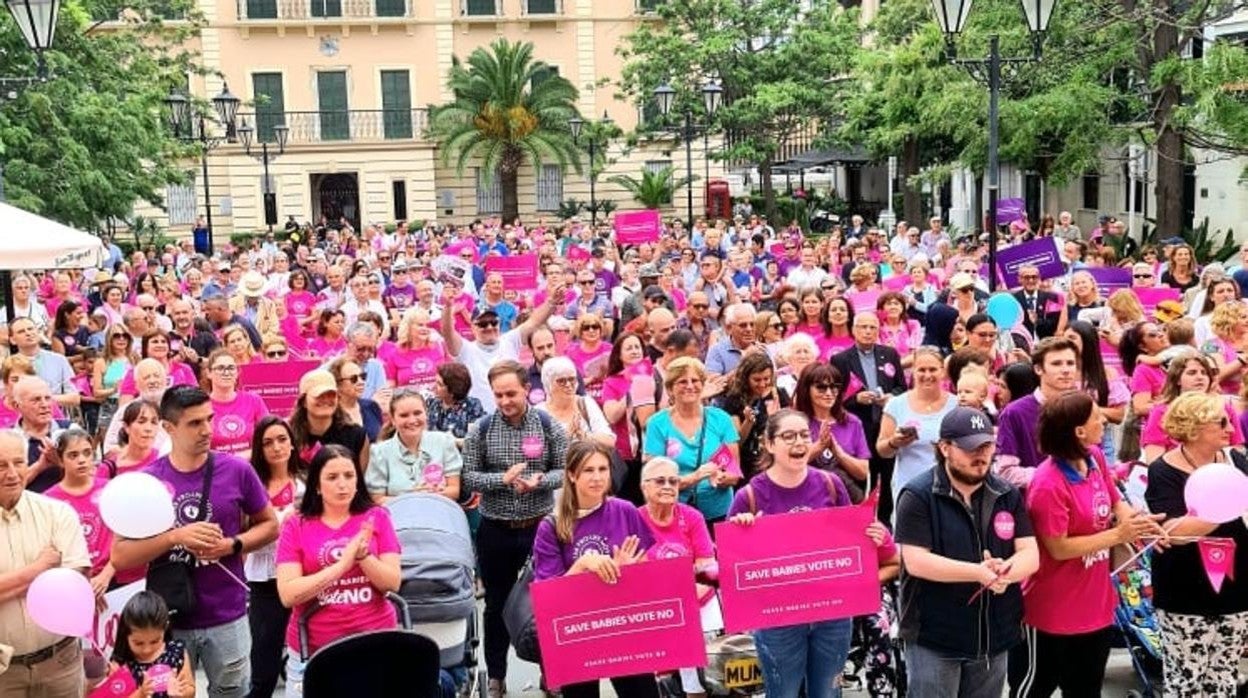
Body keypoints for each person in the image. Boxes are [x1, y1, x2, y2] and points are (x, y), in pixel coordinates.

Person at [111, 386, 279, 698]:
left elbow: (270, 525)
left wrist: (233, 545)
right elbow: (120, 556)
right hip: (169, 621)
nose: (207, 430)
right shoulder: (147, 482)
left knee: (234, 692)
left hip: (228, 613)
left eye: (209, 419)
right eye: (194, 423)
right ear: (168, 428)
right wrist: (174, 537)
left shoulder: (237, 469)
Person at [1007, 392, 1164, 697]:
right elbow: (1059, 548)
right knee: (1034, 687)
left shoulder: (1094, 457)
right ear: (1078, 431)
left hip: (1096, 606)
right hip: (1051, 611)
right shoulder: (1047, 484)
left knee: (1086, 689)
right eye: (1096, 416)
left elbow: (1116, 502)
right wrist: (1119, 535)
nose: (1104, 419)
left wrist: (1140, 524)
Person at [726, 409, 891, 698]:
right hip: (778, 619)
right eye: (788, 436)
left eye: (804, 435)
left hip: (832, 614)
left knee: (827, 693)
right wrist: (742, 530)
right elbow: (732, 566)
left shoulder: (830, 484)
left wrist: (874, 535)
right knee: (784, 693)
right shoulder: (749, 496)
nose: (798, 443)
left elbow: (852, 541)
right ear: (769, 443)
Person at [894, 407, 1040, 698]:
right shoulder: (918, 495)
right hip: (935, 636)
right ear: (945, 448)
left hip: (993, 635)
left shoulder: (1006, 493)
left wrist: (1004, 572)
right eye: (971, 447)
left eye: (987, 446)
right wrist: (977, 572)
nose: (981, 455)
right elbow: (916, 561)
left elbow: (1030, 554)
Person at [461, 361, 569, 698]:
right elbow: (469, 477)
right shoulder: (480, 428)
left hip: (540, 529)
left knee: (547, 603)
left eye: (511, 393)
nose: (506, 400)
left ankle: (551, 673)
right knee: (496, 606)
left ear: (526, 389)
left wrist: (541, 481)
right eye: (499, 395)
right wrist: (501, 480)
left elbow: (565, 470)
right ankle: (496, 675)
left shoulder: (548, 425)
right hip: (496, 529)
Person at [530, 441, 658, 698]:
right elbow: (548, 595)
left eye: (603, 469)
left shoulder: (625, 510)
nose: (598, 477)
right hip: (578, 633)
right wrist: (582, 565)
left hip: (623, 627)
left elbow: (650, 568)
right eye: (589, 470)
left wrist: (629, 571)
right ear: (572, 474)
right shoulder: (552, 526)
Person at [275, 444, 402, 697]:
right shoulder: (296, 525)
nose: (342, 484)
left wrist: (364, 557)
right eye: (332, 477)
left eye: (349, 475)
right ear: (317, 486)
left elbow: (392, 582)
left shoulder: (377, 516)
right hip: (313, 648)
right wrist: (341, 566)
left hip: (374, 641)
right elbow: (288, 594)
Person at [1145, 392, 1248, 696]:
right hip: (1184, 592)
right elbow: (1175, 532)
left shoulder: (1236, 460)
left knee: (1224, 678)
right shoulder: (1163, 471)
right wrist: (1228, 503)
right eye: (1222, 422)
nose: (1231, 428)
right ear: (1195, 427)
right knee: (1185, 681)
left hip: (1235, 588)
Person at [0, 428, 91, 696]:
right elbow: (53, 586)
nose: (13, 473)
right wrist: (40, 569)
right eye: (1, 465)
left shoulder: (57, 513)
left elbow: (71, 590)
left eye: (18, 462)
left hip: (60, 663)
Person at [637, 456, 716, 698]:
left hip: (696, 603)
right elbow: (634, 575)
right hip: (656, 608)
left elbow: (707, 569)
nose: (668, 486)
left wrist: (680, 600)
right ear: (644, 486)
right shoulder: (633, 519)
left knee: (698, 676)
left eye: (673, 481)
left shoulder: (691, 517)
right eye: (660, 481)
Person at [245, 416, 305, 698]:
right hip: (265, 580)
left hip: (305, 577)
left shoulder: (307, 480)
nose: (277, 447)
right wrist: (282, 520)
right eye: (267, 442)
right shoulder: (251, 485)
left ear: (292, 443)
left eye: (282, 439)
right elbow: (244, 537)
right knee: (264, 661)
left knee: (308, 652)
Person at [642, 357, 741, 525]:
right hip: (674, 513)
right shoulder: (657, 424)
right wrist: (695, 477)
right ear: (670, 389)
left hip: (718, 512)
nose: (689, 386)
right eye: (682, 381)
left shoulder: (721, 419)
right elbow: (655, 481)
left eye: (695, 380)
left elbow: (734, 473)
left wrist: (721, 478)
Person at [439, 277, 562, 411]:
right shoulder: (466, 349)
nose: (489, 327)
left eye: (494, 322)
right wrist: (448, 306)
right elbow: (447, 332)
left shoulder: (509, 340)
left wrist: (552, 301)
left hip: (513, 415)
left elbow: (534, 322)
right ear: (473, 327)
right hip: (480, 419)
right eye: (483, 324)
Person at [44, 428, 137, 606]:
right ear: (61, 460)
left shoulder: (112, 490)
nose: (81, 460)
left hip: (114, 579)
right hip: (72, 585)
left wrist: (106, 575)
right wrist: (81, 584)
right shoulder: (48, 500)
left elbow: (128, 535)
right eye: (73, 455)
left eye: (87, 453)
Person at [831, 312, 906, 519]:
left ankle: (885, 521)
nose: (867, 332)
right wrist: (856, 400)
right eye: (863, 327)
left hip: (886, 425)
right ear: (854, 330)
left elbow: (902, 387)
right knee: (864, 479)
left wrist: (892, 396)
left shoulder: (889, 354)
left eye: (872, 327)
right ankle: (861, 519)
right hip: (859, 427)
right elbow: (834, 396)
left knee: (888, 474)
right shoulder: (840, 359)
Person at [995, 338, 1080, 488]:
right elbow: (1005, 471)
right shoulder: (1014, 413)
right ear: (1038, 369)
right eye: (1056, 363)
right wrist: (1054, 477)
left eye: (1070, 363)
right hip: (1035, 502)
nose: (1066, 370)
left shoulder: (1083, 407)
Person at [366, 389, 462, 503]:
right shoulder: (379, 452)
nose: (412, 420)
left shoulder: (444, 441)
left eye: (417, 413)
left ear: (426, 413)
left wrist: (434, 493)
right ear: (392, 419)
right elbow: (377, 499)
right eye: (404, 415)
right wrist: (413, 497)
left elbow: (455, 490)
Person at [715, 352, 787, 482]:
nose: (762, 384)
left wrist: (774, 418)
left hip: (774, 461)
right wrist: (748, 422)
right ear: (746, 378)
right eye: (757, 380)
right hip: (747, 463)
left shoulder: (780, 395)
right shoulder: (734, 400)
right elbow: (737, 442)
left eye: (767, 378)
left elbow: (788, 432)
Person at [110, 590, 196, 698]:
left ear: (165, 630)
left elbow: (190, 688)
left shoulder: (176, 652)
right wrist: (141, 693)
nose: (147, 649)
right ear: (125, 635)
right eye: (139, 643)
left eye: (155, 641)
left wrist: (180, 692)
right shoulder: (121, 664)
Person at [289, 369, 371, 469]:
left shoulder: (356, 435)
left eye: (331, 395)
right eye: (319, 396)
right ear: (303, 402)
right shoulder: (289, 437)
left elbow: (359, 480)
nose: (326, 400)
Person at [204, 349, 269, 459]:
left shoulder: (253, 400)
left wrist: (243, 456)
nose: (226, 372)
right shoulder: (201, 405)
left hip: (250, 466)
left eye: (231, 368)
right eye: (220, 368)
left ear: (237, 372)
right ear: (209, 373)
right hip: (216, 468)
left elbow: (269, 435)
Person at [9, 317, 79, 407]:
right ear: (12, 340)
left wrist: (43, 399)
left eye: (30, 329)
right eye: (21, 331)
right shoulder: (9, 365)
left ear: (38, 332)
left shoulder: (59, 360)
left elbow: (75, 398)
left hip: (54, 416)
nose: (28, 333)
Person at [425, 362, 487, 445]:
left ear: (453, 390)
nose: (434, 387)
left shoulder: (472, 406)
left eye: (440, 384)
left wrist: (454, 442)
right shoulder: (432, 403)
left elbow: (475, 441)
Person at [101, 399, 162, 478]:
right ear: (126, 427)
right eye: (141, 422)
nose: (148, 428)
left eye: (154, 422)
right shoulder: (110, 468)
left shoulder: (163, 462)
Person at [327, 357, 383, 442]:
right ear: (338, 384)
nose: (361, 382)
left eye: (363, 376)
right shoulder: (330, 413)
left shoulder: (371, 406)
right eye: (354, 379)